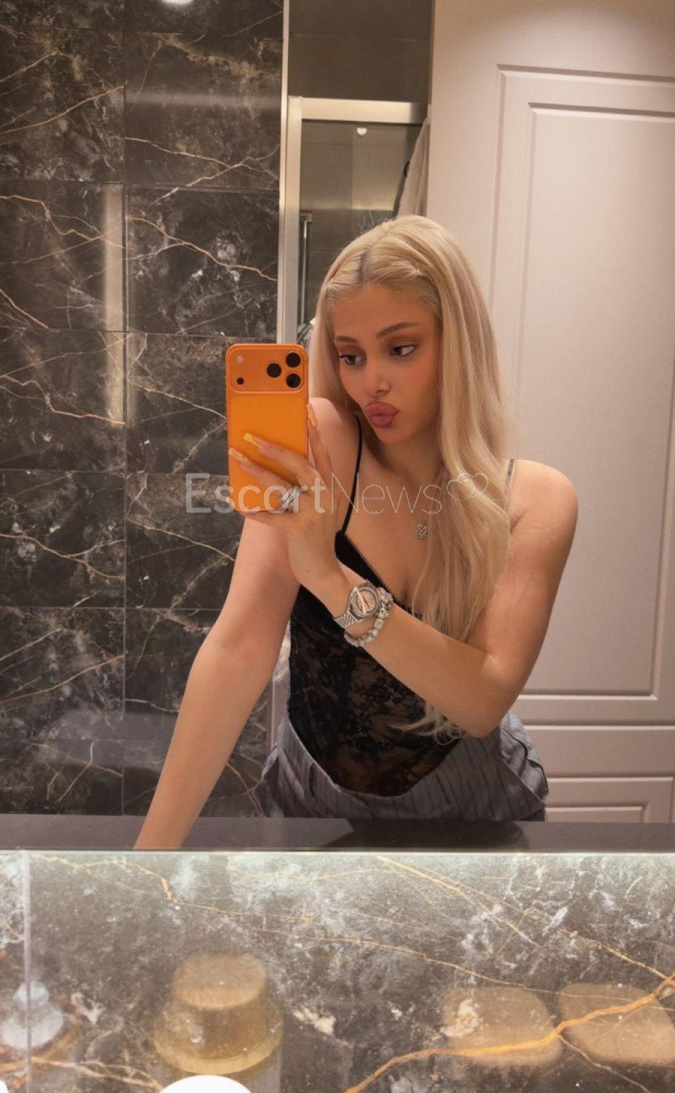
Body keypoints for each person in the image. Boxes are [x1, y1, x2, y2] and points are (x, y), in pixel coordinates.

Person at [134, 216, 577, 848]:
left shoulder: (535, 500)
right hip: (315, 800)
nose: (372, 382)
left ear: (459, 342)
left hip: (479, 799)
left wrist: (328, 577)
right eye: (351, 355)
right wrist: (149, 860)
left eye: (402, 348)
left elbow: (482, 702)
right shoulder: (323, 444)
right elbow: (239, 649)